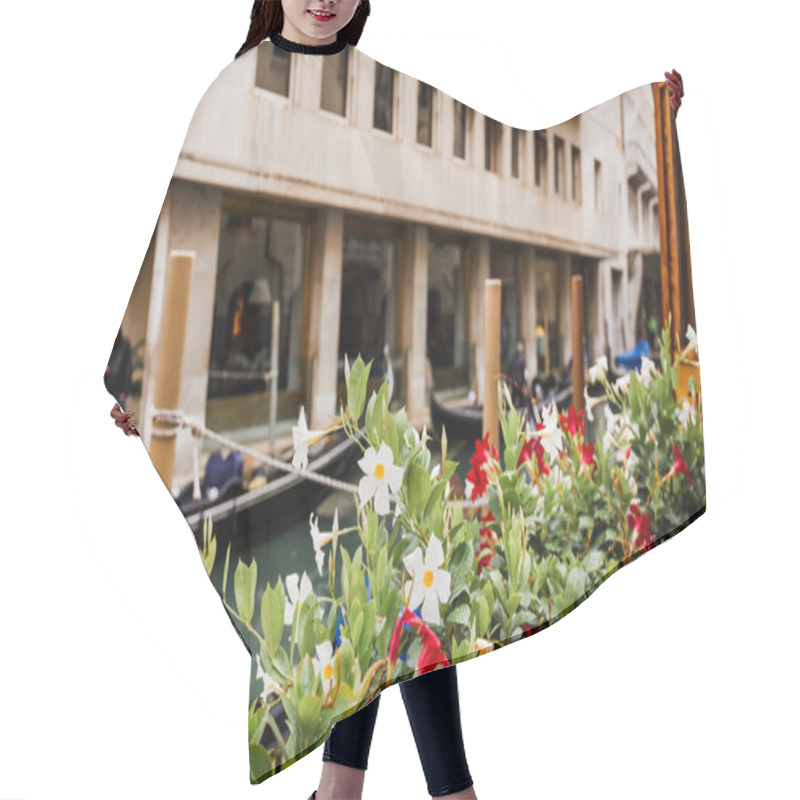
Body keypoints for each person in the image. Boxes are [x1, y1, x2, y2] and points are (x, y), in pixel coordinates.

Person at [109, 3, 686, 796]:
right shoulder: (232, 84)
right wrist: (138, 386)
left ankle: (354, 791)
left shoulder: (373, 78)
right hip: (348, 428)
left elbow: (516, 135)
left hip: (383, 433)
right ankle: (422, 791)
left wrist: (651, 116)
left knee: (399, 591)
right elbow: (172, 233)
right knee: (385, 596)